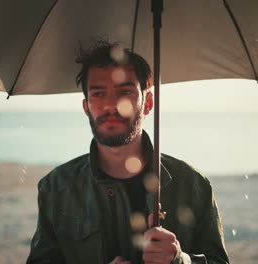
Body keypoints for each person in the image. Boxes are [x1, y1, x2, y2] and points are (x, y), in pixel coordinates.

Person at [26, 40, 229, 264]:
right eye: (98, 94)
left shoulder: (192, 184)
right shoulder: (56, 189)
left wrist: (179, 261)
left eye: (125, 92)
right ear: (86, 107)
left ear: (148, 103)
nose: (111, 105)